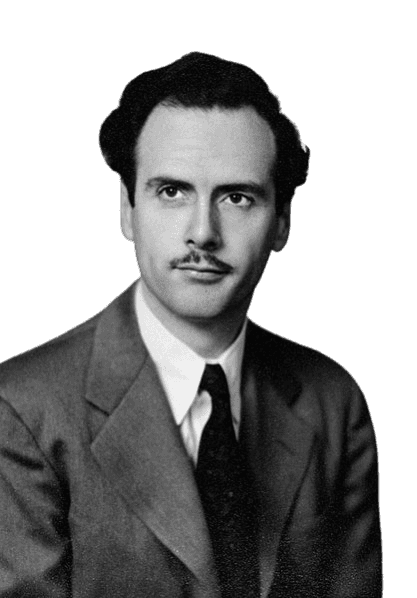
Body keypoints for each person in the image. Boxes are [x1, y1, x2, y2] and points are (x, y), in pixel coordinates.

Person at [0, 52, 382, 597]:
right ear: (128, 211)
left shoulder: (334, 402)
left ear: (282, 223)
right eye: (172, 191)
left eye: (236, 197)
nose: (202, 232)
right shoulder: (19, 409)